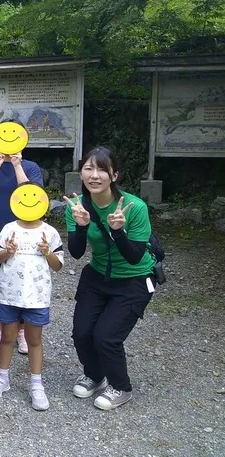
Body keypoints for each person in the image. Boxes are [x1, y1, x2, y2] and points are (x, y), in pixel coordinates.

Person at [64, 147, 156, 411]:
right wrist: (81, 226)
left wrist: (119, 231)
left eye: (102, 169)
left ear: (114, 175)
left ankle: (121, 387)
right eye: (88, 169)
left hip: (134, 279)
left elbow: (135, 257)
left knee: (106, 337)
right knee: (81, 333)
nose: (94, 175)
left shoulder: (134, 207)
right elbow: (77, 253)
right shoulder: (77, 206)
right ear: (81, 172)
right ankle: (95, 375)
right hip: (98, 275)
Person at [0, 183, 64, 410]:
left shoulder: (50, 232)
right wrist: (8, 251)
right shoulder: (9, 228)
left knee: (34, 340)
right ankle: (2, 377)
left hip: (37, 296)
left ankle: (36, 383)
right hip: (9, 294)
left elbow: (58, 266)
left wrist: (47, 252)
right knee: (7, 337)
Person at [0, 120, 43, 354]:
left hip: (25, 235)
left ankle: (21, 331)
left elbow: (30, 194)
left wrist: (16, 165)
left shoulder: (31, 167)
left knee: (21, 283)